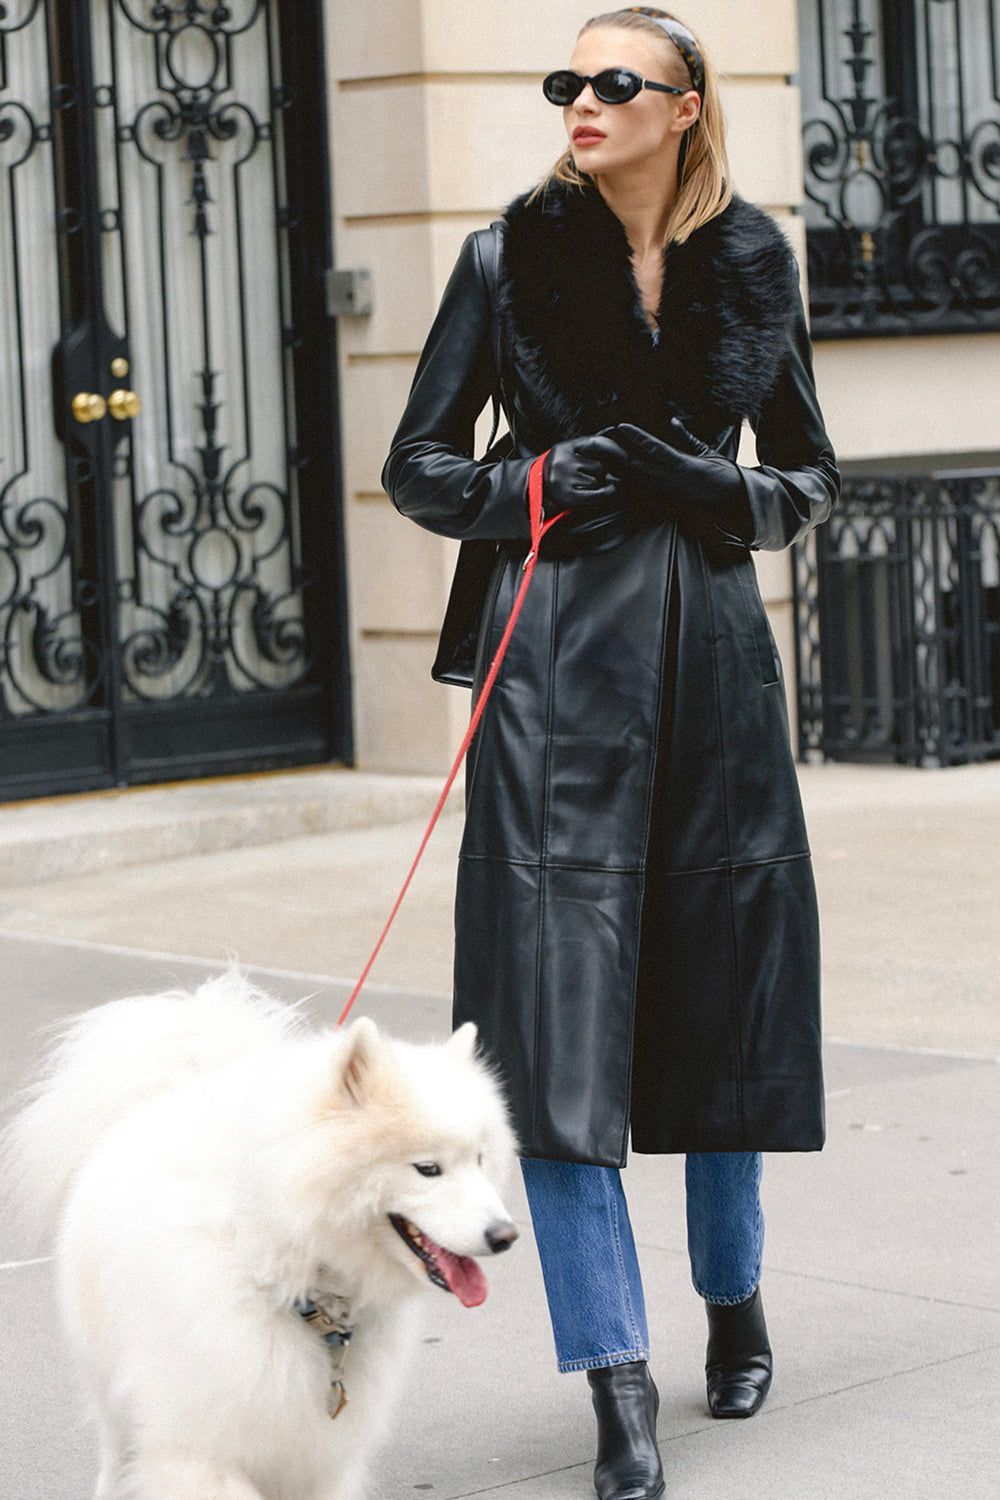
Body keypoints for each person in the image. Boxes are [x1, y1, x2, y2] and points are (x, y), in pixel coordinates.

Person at [383, 9, 839, 1499]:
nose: (582, 101)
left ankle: (734, 1297)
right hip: (556, 678)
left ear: (686, 106)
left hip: (715, 671)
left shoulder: (755, 265)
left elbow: (809, 475)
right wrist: (539, 476)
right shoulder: (504, 260)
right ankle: (617, 1379)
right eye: (566, 81)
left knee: (721, 1001)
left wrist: (726, 492)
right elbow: (417, 466)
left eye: (615, 81)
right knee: (556, 1031)